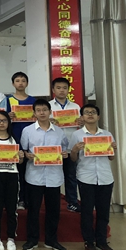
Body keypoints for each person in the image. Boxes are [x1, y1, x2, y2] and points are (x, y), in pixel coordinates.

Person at [21, 99, 69, 250]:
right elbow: (23, 150)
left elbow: (65, 150)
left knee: (53, 210)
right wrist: (27, 155)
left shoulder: (59, 131)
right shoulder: (27, 131)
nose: (42, 113)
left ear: (50, 112)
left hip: (54, 176)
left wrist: (64, 154)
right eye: (38, 110)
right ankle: (32, 240)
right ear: (34, 113)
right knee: (33, 210)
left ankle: (51, 240)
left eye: (44, 110)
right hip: (34, 176)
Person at [69, 104, 117, 250]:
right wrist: (75, 150)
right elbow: (73, 158)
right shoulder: (77, 135)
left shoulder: (107, 134)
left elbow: (111, 158)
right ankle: (89, 242)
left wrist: (113, 149)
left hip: (105, 177)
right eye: (87, 112)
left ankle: (102, 242)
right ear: (82, 117)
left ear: (98, 116)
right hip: (86, 177)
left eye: (93, 112)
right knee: (87, 211)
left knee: (103, 212)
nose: (90, 114)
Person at [0, 110, 25, 250]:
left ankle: (11, 238)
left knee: (11, 208)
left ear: (9, 122)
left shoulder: (14, 139)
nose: (2, 123)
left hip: (12, 175)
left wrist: (21, 156)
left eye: (4, 120)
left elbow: (20, 162)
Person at [49, 77, 82, 213]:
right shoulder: (48, 107)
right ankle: (54, 202)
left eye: (64, 88)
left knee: (71, 176)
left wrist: (81, 123)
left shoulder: (75, 107)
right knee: (54, 177)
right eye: (58, 88)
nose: (61, 90)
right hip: (54, 148)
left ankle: (72, 202)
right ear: (53, 90)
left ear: (68, 90)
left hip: (71, 147)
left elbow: (81, 127)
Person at [5, 72, 36, 210]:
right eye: (17, 80)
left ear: (27, 83)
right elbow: (1, 119)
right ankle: (18, 198)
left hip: (32, 139)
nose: (20, 83)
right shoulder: (8, 100)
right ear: (13, 83)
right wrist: (7, 116)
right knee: (16, 171)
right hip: (14, 137)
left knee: (30, 170)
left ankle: (29, 198)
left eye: (23, 80)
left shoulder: (33, 100)